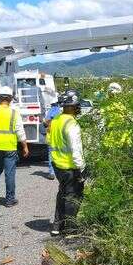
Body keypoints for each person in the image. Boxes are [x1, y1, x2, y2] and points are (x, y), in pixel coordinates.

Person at [48, 92, 87, 236]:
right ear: (69, 107)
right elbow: (75, 148)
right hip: (70, 167)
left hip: (57, 165)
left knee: (62, 193)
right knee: (73, 196)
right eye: (76, 105)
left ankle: (57, 226)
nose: (78, 108)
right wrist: (81, 168)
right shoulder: (71, 123)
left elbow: (50, 141)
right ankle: (71, 229)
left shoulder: (57, 120)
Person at [0, 86, 29, 207]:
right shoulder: (14, 113)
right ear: (10, 99)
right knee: (9, 173)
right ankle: (10, 200)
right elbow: (20, 131)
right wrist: (25, 146)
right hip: (9, 146)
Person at [42, 96, 63, 180]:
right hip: (59, 137)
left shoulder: (49, 112)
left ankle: (51, 173)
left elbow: (45, 124)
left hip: (50, 137)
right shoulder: (61, 111)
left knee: (51, 155)